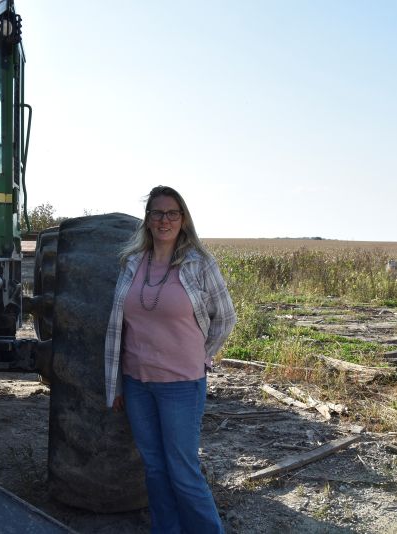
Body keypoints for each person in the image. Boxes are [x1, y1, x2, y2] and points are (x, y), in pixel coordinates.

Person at [104, 185, 237, 533]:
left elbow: (225, 317)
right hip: (138, 385)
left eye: (172, 214)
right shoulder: (132, 263)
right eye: (157, 213)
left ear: (183, 219)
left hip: (181, 385)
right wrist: (117, 382)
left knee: (183, 472)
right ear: (147, 221)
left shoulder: (199, 263)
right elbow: (119, 328)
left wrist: (201, 356)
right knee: (155, 470)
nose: (165, 220)